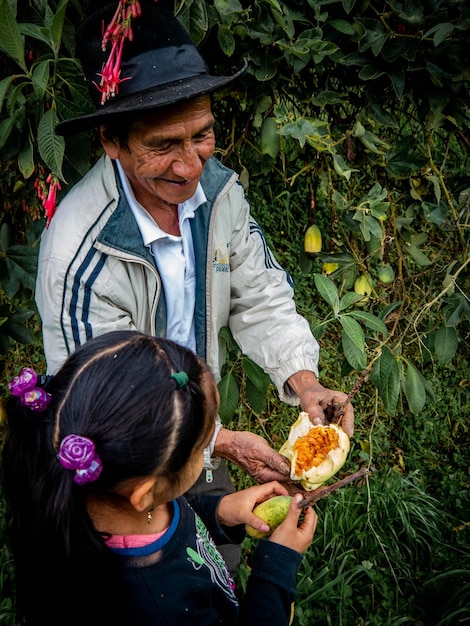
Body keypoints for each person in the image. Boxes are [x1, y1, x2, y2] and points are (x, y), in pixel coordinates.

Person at [35, 0, 354, 571]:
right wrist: (222, 441)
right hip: (126, 476)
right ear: (111, 141)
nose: (189, 167)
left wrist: (304, 384)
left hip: (199, 438)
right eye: (162, 146)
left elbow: (261, 295)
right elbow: (107, 416)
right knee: (148, 586)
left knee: (214, 567)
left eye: (202, 136)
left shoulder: (220, 196)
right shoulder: (79, 254)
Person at [2, 330, 317, 626]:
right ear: (145, 493)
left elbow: (177, 521)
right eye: (203, 445)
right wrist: (276, 568)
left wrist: (219, 512)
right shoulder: (159, 608)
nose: (209, 449)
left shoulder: (117, 492)